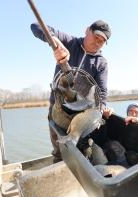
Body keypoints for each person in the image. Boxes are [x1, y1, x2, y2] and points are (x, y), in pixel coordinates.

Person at [31, 20, 111, 163]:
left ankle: (78, 170)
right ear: (87, 30)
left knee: (80, 150)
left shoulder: (101, 63)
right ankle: (58, 165)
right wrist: (54, 41)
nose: (98, 42)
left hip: (81, 113)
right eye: (96, 36)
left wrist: (101, 109)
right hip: (57, 108)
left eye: (102, 41)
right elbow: (35, 26)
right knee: (59, 149)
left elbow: (102, 92)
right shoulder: (70, 42)